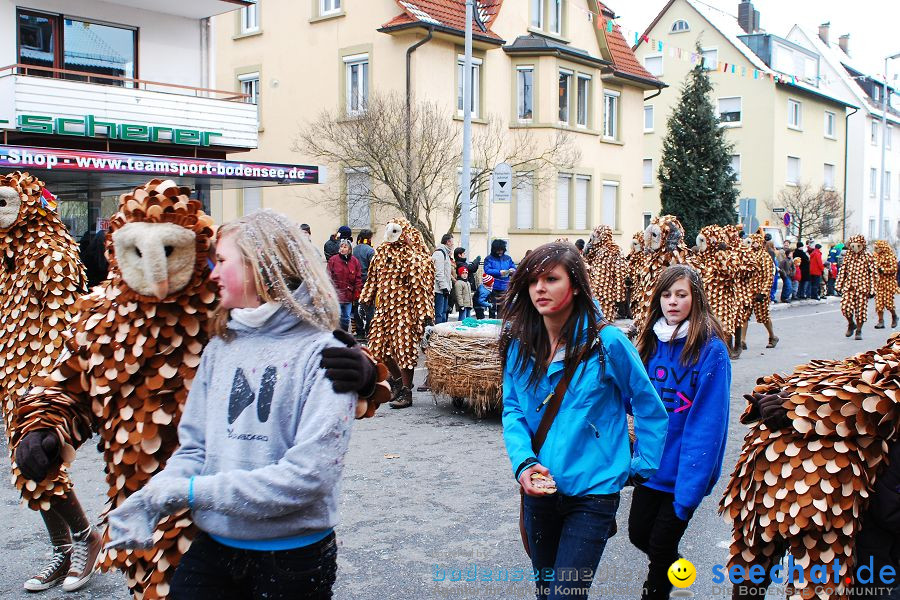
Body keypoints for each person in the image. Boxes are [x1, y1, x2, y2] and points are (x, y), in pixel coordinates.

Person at [104, 210, 356, 599]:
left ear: (260, 265)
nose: (213, 273)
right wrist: (155, 496)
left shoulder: (325, 353)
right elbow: (195, 447)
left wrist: (188, 492)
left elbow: (309, 476)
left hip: (292, 557)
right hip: (215, 546)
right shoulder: (221, 346)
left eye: (222, 261)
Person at [501, 242, 668, 600]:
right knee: (546, 590)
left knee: (567, 595)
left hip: (593, 493)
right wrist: (524, 464)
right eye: (532, 281)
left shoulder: (608, 342)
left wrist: (640, 465)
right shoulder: (519, 343)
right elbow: (513, 409)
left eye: (551, 279)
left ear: (574, 285)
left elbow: (648, 404)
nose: (539, 289)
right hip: (539, 489)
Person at [630, 265, 731, 600]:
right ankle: (678, 568)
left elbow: (708, 425)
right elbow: (637, 403)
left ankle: (656, 589)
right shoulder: (649, 342)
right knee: (639, 535)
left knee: (659, 547)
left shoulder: (710, 349)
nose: (672, 301)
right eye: (666, 294)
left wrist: (690, 492)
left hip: (683, 472)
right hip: (649, 467)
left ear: (696, 298)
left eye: (681, 294)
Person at [327, 239, 362, 331]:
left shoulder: (355, 261)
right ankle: (336, 336)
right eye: (341, 247)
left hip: (348, 295)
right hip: (336, 295)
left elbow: (358, 279)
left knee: (346, 318)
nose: (342, 249)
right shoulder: (333, 260)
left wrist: (357, 292)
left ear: (349, 249)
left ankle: (345, 334)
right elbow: (328, 277)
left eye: (345, 247)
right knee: (336, 317)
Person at [484, 239, 516, 319]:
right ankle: (491, 323)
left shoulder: (508, 258)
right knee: (492, 307)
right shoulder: (488, 258)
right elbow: (487, 270)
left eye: (501, 250)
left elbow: (513, 267)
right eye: (498, 250)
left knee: (502, 307)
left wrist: (512, 270)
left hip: (505, 286)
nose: (500, 252)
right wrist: (499, 272)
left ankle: (500, 323)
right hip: (492, 286)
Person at [353, 229, 375, 339]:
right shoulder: (370, 251)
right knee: (369, 308)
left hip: (355, 282)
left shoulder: (354, 250)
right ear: (369, 239)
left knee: (358, 307)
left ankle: (359, 331)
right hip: (367, 282)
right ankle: (369, 331)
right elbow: (374, 267)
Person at [432, 233, 454, 325]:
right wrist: (444, 287)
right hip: (439, 290)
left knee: (444, 313)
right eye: (452, 242)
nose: (453, 245)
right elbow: (439, 272)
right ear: (448, 242)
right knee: (439, 314)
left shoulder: (445, 254)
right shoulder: (439, 253)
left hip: (444, 289)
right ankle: (437, 334)